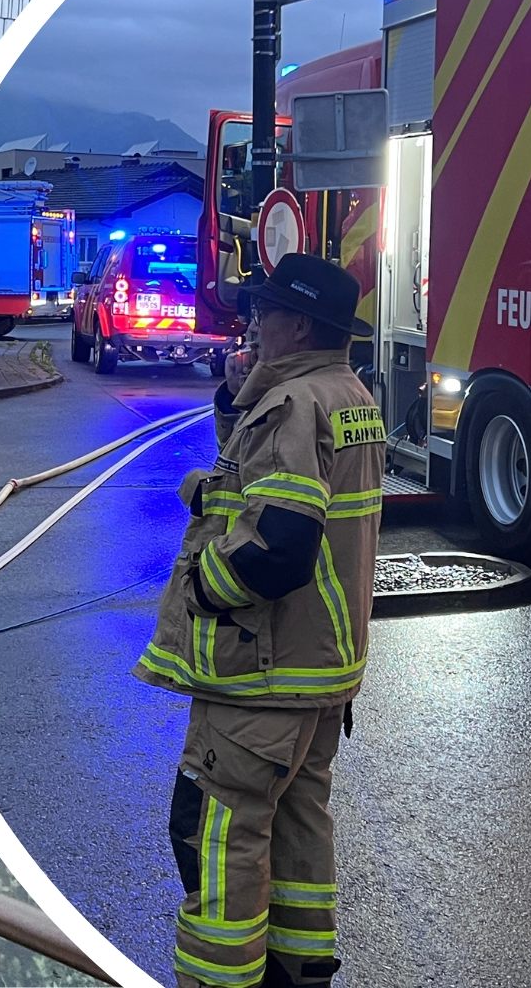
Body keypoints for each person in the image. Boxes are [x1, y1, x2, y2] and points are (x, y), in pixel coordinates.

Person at [133, 253, 384, 988]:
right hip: (320, 670)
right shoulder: (345, 394)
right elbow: (256, 480)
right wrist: (239, 392)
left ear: (298, 323)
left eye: (265, 311)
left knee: (218, 830)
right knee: (300, 824)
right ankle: (300, 969)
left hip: (263, 672)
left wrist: (206, 590)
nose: (253, 321)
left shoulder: (293, 407)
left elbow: (277, 547)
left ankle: (220, 977)